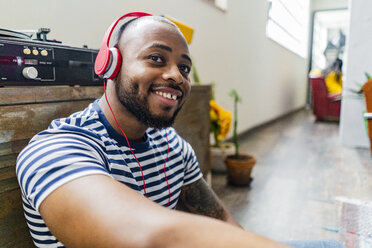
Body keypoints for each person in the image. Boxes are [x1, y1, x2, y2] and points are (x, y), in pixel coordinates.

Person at [16, 14, 345, 248]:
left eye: (184, 67)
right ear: (110, 66)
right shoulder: (55, 151)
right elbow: (145, 236)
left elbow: (220, 220)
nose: (176, 75)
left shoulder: (171, 144)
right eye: (156, 58)